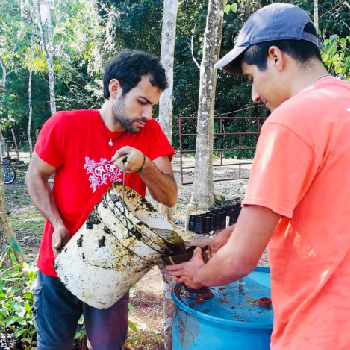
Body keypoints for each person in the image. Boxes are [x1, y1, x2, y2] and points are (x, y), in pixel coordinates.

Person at [166, 3, 350, 350]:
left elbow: (239, 260)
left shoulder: (290, 121)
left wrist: (197, 275)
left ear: (276, 57)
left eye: (252, 78)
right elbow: (323, 208)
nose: (253, 95)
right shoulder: (341, 105)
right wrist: (231, 234)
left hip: (320, 329)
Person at [26, 49, 178, 350]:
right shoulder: (64, 125)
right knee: (53, 346)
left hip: (113, 267)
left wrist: (145, 165)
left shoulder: (149, 133)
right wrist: (57, 223)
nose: (148, 115)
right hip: (59, 262)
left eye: (152, 106)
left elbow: (170, 196)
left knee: (108, 347)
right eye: (142, 103)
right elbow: (35, 176)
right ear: (115, 89)